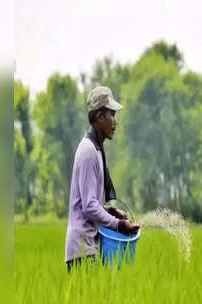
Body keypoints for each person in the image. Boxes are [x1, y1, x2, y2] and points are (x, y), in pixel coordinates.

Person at [64, 86, 139, 272]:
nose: (115, 122)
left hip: (89, 247)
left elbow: (89, 202)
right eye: (111, 115)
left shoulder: (96, 149)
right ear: (99, 117)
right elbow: (89, 206)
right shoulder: (89, 151)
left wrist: (111, 211)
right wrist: (119, 225)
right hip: (82, 250)